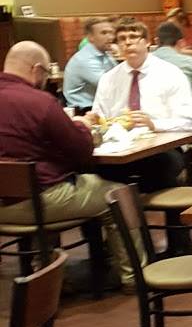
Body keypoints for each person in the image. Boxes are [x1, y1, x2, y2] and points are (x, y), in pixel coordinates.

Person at [0, 41, 132, 284]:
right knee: (118, 194)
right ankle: (133, 277)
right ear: (36, 69)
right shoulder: (40, 102)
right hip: (35, 201)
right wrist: (82, 126)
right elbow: (81, 150)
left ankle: (45, 275)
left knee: (53, 182)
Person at [91, 18, 192, 256]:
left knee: (164, 169)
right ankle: (112, 253)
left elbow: (188, 121)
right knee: (92, 175)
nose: (128, 43)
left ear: (147, 42)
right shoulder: (109, 78)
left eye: (133, 37)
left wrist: (153, 123)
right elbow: (100, 116)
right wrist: (102, 122)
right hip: (120, 152)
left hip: (162, 149)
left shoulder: (169, 73)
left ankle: (178, 247)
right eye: (122, 39)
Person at [62, 16, 117, 111]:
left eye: (111, 33)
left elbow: (120, 75)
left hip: (101, 107)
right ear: (90, 37)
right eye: (104, 33)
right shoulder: (84, 59)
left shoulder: (106, 54)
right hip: (84, 110)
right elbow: (109, 86)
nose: (110, 37)